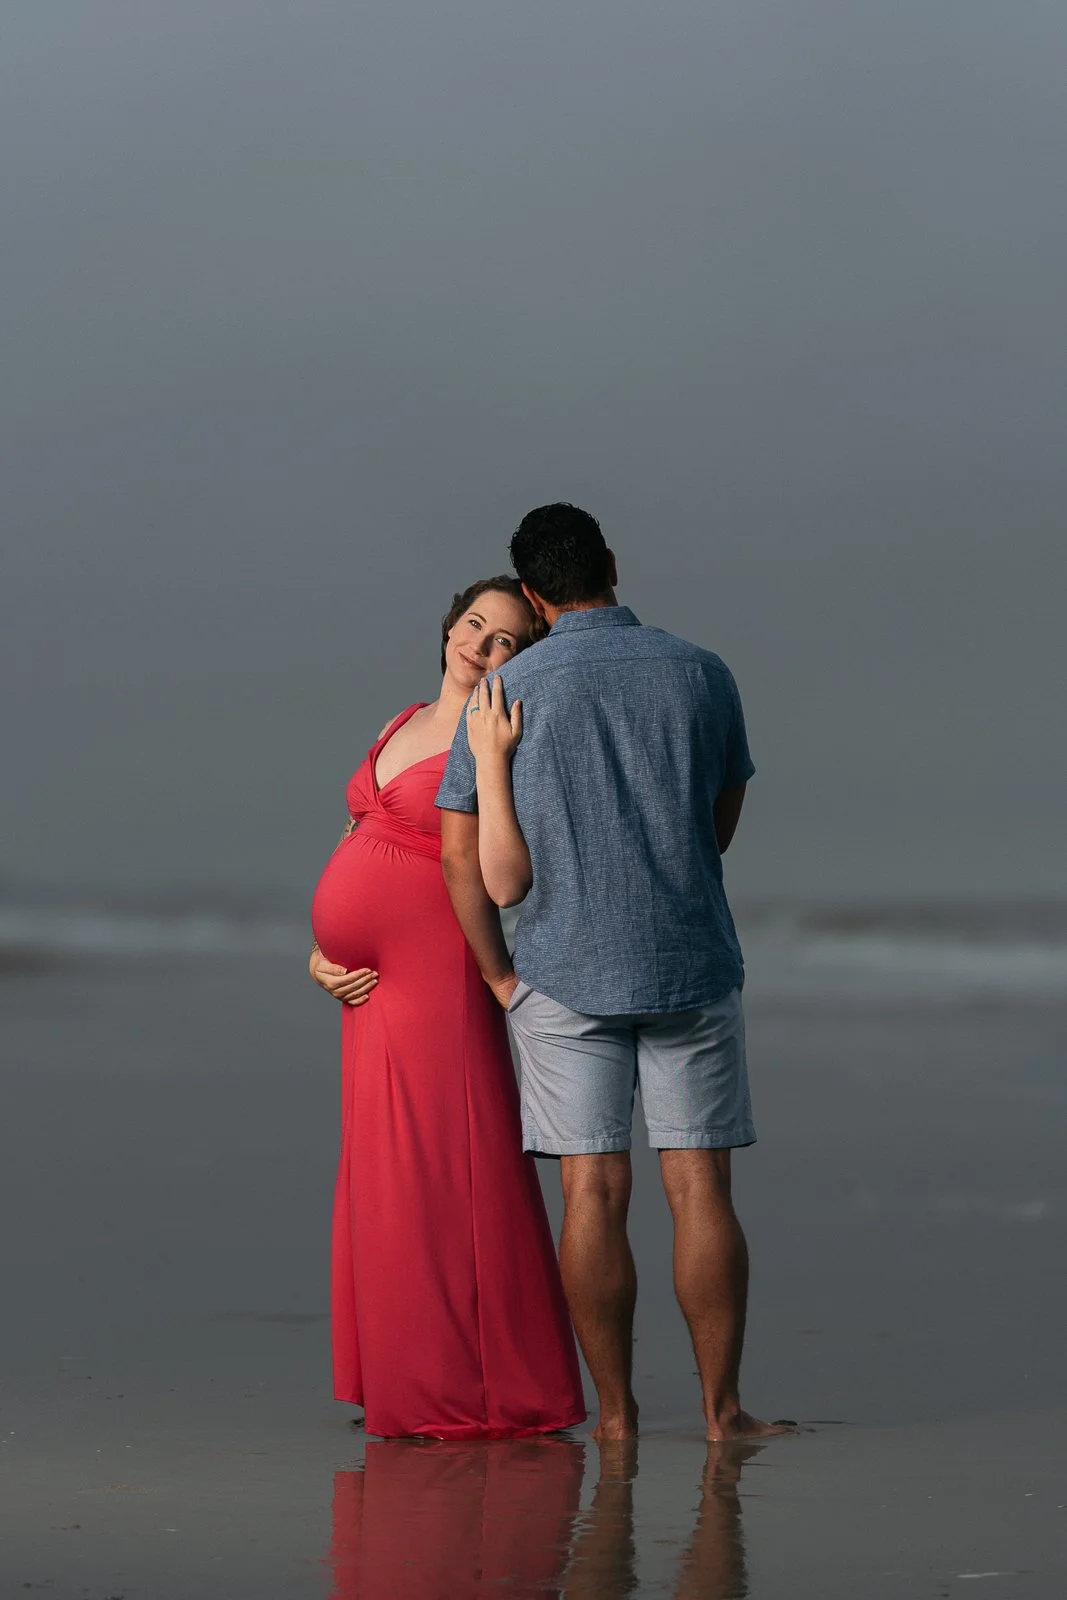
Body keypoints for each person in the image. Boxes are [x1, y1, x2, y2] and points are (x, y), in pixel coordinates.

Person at [437, 505, 787, 1443]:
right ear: (613, 567)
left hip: (558, 969)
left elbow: (462, 860)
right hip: (688, 959)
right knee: (699, 1189)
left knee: (592, 1193)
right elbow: (718, 826)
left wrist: (497, 973)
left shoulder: (507, 690)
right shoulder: (702, 672)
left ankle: (621, 1418)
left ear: (537, 595)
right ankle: (722, 1413)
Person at [309, 575, 585, 1440]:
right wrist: (322, 953)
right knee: (382, 1173)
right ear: (448, 626)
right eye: (473, 625)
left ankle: (479, 1388)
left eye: (504, 639)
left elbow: (504, 868)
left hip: (440, 965)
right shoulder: (399, 721)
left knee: (447, 1163)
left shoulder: (497, 731)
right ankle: (396, 1373)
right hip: (365, 983)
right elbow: (355, 838)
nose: (479, 645)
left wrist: (496, 761)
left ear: (523, 659)